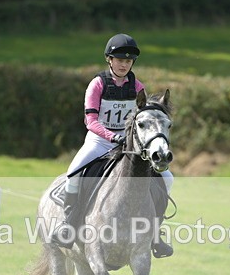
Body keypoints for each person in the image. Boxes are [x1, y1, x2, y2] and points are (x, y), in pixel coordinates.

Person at [51, 33, 174, 258]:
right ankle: (68, 225)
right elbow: (91, 120)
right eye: (119, 60)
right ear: (109, 60)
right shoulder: (97, 84)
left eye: (128, 61)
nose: (124, 64)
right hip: (99, 141)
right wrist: (111, 136)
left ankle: (156, 234)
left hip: (129, 144)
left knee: (167, 178)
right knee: (73, 174)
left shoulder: (137, 87)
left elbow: (143, 119)